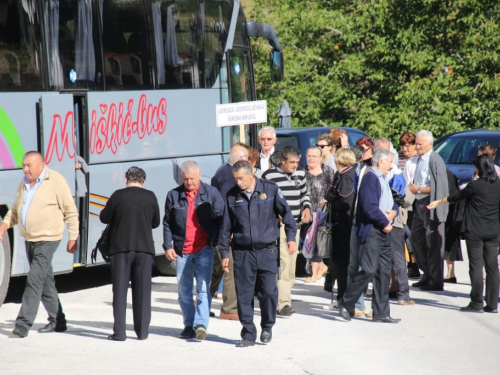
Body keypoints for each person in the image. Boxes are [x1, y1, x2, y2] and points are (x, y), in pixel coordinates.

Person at [0, 151, 79, 338]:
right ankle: (58, 320)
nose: (25, 169)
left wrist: (73, 237)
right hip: (30, 238)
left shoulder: (56, 181)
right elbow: (16, 211)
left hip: (48, 238)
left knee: (34, 279)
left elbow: (70, 210)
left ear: (41, 165)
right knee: (45, 281)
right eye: (23, 165)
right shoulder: (24, 183)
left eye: (29, 166)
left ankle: (23, 323)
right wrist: (4, 225)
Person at [218, 161, 297, 347]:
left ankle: (267, 326)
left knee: (268, 292)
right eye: (235, 178)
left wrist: (292, 237)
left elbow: (287, 215)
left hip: (267, 251)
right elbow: (225, 228)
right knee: (244, 294)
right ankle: (248, 334)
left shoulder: (269, 189)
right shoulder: (231, 195)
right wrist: (224, 253)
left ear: (251, 174)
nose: (238, 182)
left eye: (241, 178)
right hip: (242, 252)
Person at [428, 154, 499, 313]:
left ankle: (476, 303)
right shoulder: (498, 185)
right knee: (492, 267)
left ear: (479, 168)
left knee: (476, 266)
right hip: (494, 231)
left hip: (474, 231)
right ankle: (492, 304)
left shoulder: (475, 186)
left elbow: (457, 196)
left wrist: (440, 201)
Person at [163, 161, 225, 340]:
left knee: (204, 289)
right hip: (182, 251)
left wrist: (218, 241)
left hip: (204, 248)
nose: (189, 182)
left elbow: (221, 219)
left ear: (200, 175)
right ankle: (188, 325)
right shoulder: (173, 195)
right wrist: (168, 246)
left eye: (192, 178)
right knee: (184, 291)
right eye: (185, 179)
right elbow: (167, 223)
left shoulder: (212, 193)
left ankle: (201, 324)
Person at [338, 148, 400, 323]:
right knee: (368, 269)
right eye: (389, 162)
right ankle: (346, 302)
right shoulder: (370, 178)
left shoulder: (383, 178)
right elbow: (368, 207)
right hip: (372, 231)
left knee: (383, 273)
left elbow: (394, 202)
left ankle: (381, 313)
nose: (391, 165)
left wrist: (394, 213)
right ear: (380, 162)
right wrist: (385, 222)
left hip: (384, 231)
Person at [100, 166, 160, 341]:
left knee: (119, 291)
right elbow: (155, 222)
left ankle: (119, 333)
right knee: (143, 291)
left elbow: (104, 217)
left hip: (121, 249)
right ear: (143, 180)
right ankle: (142, 332)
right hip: (145, 250)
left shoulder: (118, 195)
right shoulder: (151, 196)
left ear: (126, 179)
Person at [262, 146, 311, 316]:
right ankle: (283, 304)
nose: (295, 166)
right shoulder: (269, 176)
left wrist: (306, 208)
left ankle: (280, 297)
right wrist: (275, 212)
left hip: (295, 226)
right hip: (279, 227)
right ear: (282, 161)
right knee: (283, 263)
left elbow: (305, 194)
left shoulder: (301, 174)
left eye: (297, 162)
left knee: (291, 266)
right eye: (292, 162)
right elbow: (264, 199)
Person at [210, 144, 249, 320]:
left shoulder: (221, 170)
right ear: (240, 159)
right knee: (229, 268)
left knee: (217, 268)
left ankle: (202, 300)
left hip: (219, 227)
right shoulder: (229, 175)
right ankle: (230, 309)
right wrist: (230, 228)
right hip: (225, 229)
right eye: (246, 158)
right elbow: (229, 204)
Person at [409, 130, 448, 291]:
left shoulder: (434, 159)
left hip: (430, 204)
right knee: (416, 239)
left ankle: (435, 280)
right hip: (418, 204)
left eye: (420, 144)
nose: (416, 146)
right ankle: (427, 274)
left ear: (430, 144)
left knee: (433, 244)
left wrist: (418, 189)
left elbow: (438, 187)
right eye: (416, 143)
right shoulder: (420, 158)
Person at [323, 148, 356, 304]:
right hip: (341, 224)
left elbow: (345, 202)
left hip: (343, 225)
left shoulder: (346, 177)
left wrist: (331, 203)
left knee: (341, 263)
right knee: (338, 262)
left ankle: (343, 298)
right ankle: (341, 296)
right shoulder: (342, 175)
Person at [303, 146, 335, 282]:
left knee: (319, 240)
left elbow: (334, 189)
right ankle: (316, 269)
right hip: (307, 212)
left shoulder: (328, 171)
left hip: (323, 212)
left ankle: (317, 270)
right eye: (309, 156)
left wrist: (327, 200)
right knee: (310, 240)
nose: (311, 159)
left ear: (321, 158)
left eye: (314, 156)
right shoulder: (302, 172)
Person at [400, 131, 420, 279]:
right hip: (403, 203)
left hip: (413, 202)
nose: (405, 149)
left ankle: (415, 265)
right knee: (406, 234)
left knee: (411, 235)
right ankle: (411, 264)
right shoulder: (398, 160)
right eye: (403, 146)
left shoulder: (416, 161)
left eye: (408, 146)